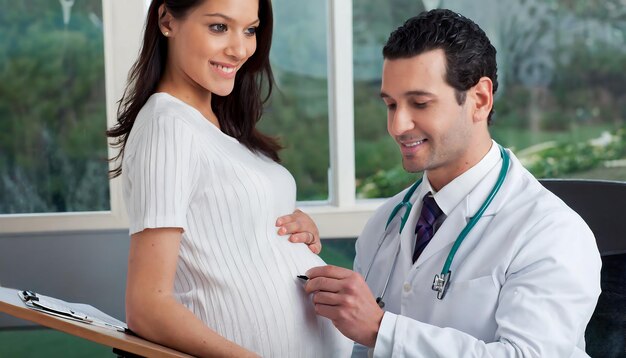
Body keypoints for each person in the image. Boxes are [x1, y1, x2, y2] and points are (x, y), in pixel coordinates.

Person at [303, 8, 601, 357]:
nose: (398, 126)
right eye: (391, 104)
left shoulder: (551, 232)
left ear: (479, 100)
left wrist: (381, 329)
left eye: (420, 103)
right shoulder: (384, 224)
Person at [106, 0, 352, 356]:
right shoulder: (167, 124)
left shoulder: (219, 129)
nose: (240, 49)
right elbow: (148, 306)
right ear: (166, 20)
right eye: (219, 27)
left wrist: (290, 230)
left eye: (250, 30)